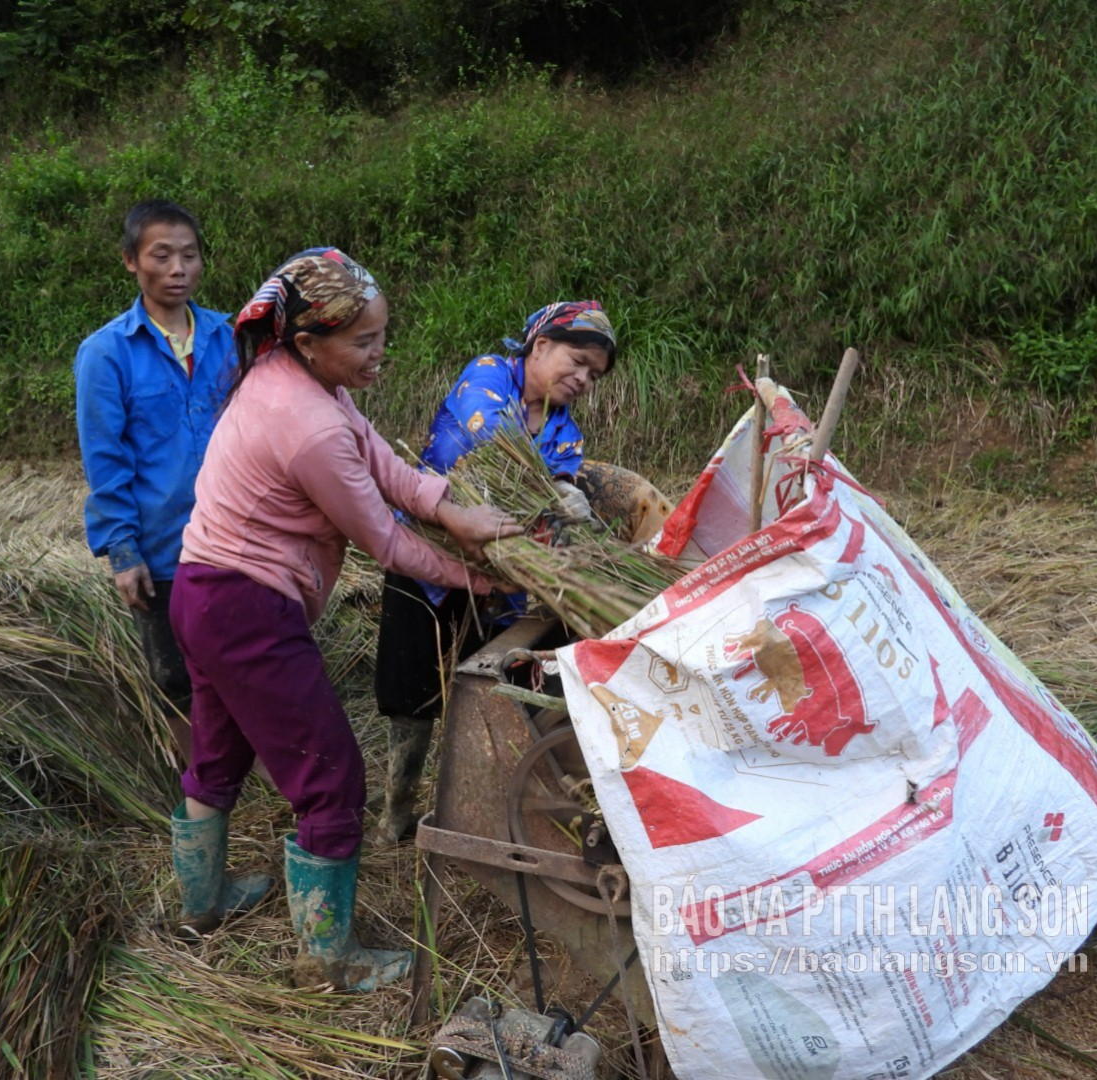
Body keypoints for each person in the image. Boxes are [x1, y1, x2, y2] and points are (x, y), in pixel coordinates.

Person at [168, 248, 523, 990]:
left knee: (219, 755)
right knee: (332, 777)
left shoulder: (295, 377)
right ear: (308, 340)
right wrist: (476, 578)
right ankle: (328, 960)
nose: (379, 352)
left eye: (382, 335)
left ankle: (202, 905)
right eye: (364, 341)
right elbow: (384, 541)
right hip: (246, 609)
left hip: (202, 591)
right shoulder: (309, 426)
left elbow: (383, 464)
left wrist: (451, 512)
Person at [372, 301, 675, 842]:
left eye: (594, 375)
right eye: (577, 362)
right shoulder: (489, 377)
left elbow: (559, 495)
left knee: (487, 693)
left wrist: (571, 500)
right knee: (411, 694)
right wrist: (550, 490)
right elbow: (490, 446)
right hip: (429, 564)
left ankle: (474, 812)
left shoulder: (565, 430)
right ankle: (396, 816)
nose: (583, 379)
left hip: (500, 580)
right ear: (541, 345)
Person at [74, 200, 235, 765]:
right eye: (161, 256)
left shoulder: (229, 339)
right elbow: (105, 459)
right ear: (130, 261)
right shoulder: (106, 354)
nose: (178, 269)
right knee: (175, 678)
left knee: (245, 668)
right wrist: (123, 552)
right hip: (163, 549)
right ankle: (204, 786)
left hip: (237, 541)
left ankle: (261, 782)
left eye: (189, 255)